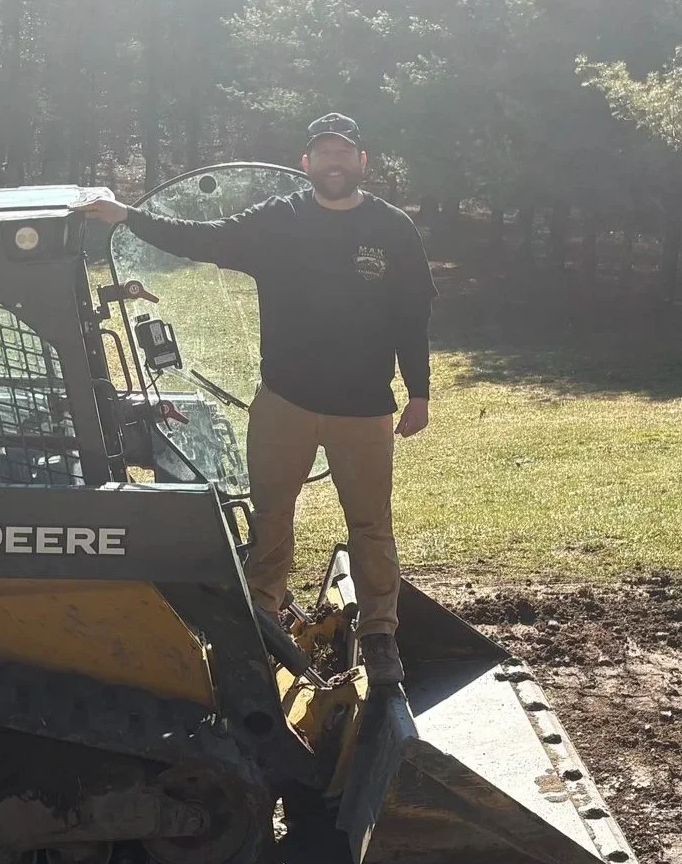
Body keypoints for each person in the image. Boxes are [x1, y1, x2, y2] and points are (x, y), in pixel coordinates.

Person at [76, 112, 436, 681]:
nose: (334, 163)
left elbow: (411, 316)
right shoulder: (279, 220)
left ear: (362, 161)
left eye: (344, 153)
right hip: (284, 403)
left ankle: (379, 635)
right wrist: (128, 215)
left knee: (370, 525)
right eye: (324, 153)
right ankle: (263, 622)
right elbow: (202, 237)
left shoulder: (392, 228)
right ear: (306, 163)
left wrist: (419, 391)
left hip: (364, 408)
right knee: (272, 516)